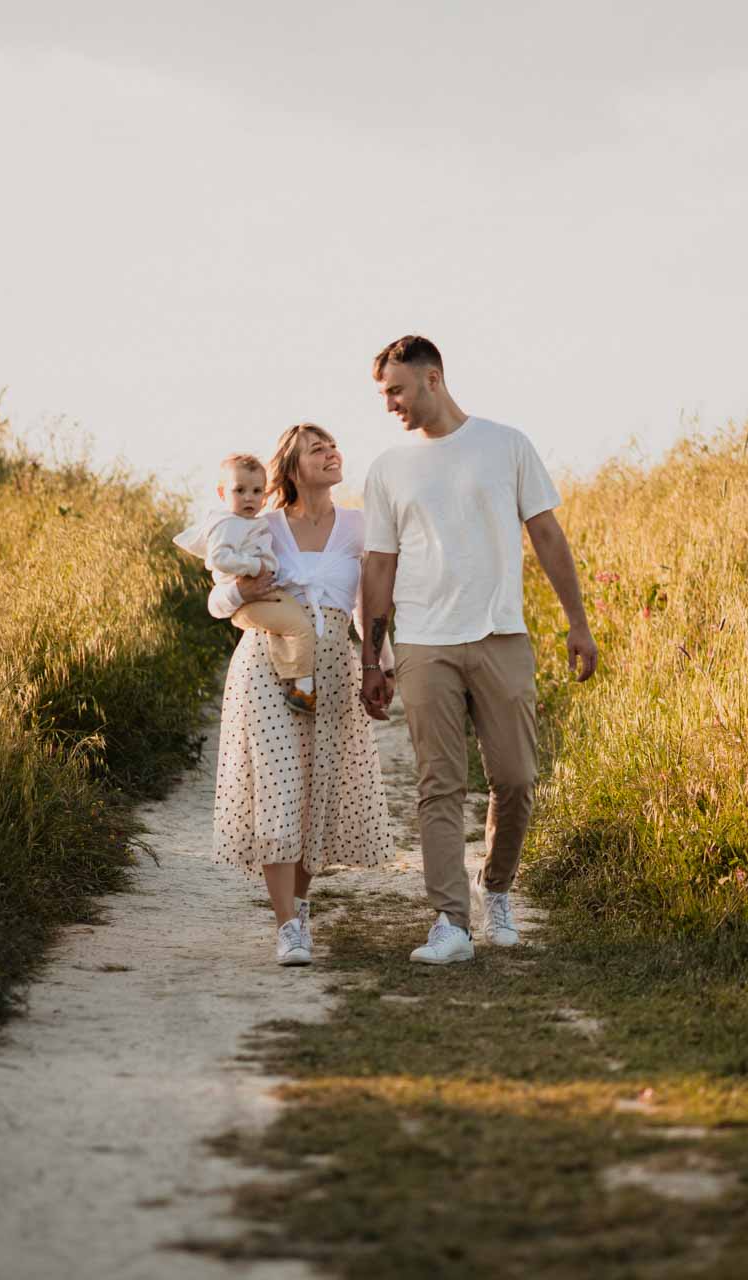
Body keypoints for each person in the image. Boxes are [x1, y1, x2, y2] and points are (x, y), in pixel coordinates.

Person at [359, 336, 597, 965]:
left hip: (501, 634)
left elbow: (546, 533)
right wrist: (370, 659)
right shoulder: (388, 467)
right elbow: (379, 566)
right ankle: (450, 922)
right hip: (422, 642)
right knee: (438, 783)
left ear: (432, 379)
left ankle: (496, 890)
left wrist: (578, 622)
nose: (389, 405)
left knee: (516, 779)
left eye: (396, 390)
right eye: (384, 394)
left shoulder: (506, 445)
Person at [210, 424, 393, 966]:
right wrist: (241, 589)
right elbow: (218, 603)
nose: (333, 453)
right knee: (280, 788)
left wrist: (377, 666)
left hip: (334, 666)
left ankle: (301, 905)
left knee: (317, 791)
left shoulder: (360, 527)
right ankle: (287, 925)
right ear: (292, 468)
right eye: (319, 449)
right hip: (267, 667)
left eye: (334, 445)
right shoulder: (260, 526)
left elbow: (370, 607)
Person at [172, 453, 318, 714]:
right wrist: (257, 566)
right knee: (300, 626)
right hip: (247, 596)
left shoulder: (250, 522)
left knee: (294, 620)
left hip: (262, 592)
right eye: (239, 490)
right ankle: (302, 690)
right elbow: (219, 558)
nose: (249, 497)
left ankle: (296, 679)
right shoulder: (227, 524)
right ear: (221, 493)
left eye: (256, 490)